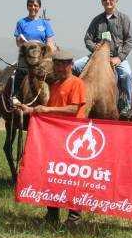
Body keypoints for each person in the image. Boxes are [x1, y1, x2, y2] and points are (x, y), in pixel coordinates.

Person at [16, 49, 87, 228]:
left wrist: (46, 110)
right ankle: (52, 212)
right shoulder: (55, 86)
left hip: (72, 140)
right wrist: (30, 110)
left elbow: (73, 109)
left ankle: (74, 216)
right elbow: (49, 111)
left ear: (71, 65)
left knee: (72, 178)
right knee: (54, 176)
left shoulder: (76, 83)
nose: (60, 68)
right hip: (55, 138)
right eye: (57, 65)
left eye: (64, 65)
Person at [72, 0, 132, 118]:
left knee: (127, 74)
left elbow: (129, 41)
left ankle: (125, 106)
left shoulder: (124, 19)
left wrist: (120, 58)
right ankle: (74, 100)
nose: (108, 2)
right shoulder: (96, 20)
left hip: (117, 57)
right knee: (75, 66)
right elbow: (87, 38)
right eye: (105, 0)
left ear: (116, 1)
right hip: (97, 56)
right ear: (102, 2)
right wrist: (95, 48)